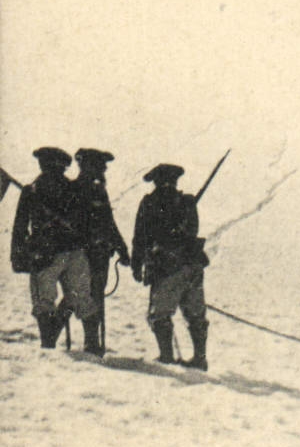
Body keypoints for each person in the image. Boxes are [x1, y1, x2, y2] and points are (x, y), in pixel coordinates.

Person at [9, 147, 98, 351]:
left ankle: (47, 344)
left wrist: (17, 255)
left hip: (45, 254)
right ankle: (92, 345)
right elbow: (87, 222)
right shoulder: (74, 189)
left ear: (43, 164)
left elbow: (20, 226)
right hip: (75, 252)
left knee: (44, 301)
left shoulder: (32, 190)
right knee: (82, 298)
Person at [131, 164, 209, 368]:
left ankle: (166, 357)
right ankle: (200, 358)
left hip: (167, 266)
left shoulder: (150, 202)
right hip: (193, 264)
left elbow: (140, 236)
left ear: (156, 181)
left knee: (160, 314)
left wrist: (136, 264)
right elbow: (192, 230)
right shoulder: (187, 202)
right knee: (195, 313)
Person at [72, 148, 129, 357]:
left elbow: (109, 223)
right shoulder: (73, 189)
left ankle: (91, 342)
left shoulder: (99, 191)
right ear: (86, 166)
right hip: (79, 254)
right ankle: (52, 333)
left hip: (99, 254)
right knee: (78, 295)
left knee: (95, 295)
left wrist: (122, 248)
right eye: (99, 166)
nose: (103, 170)